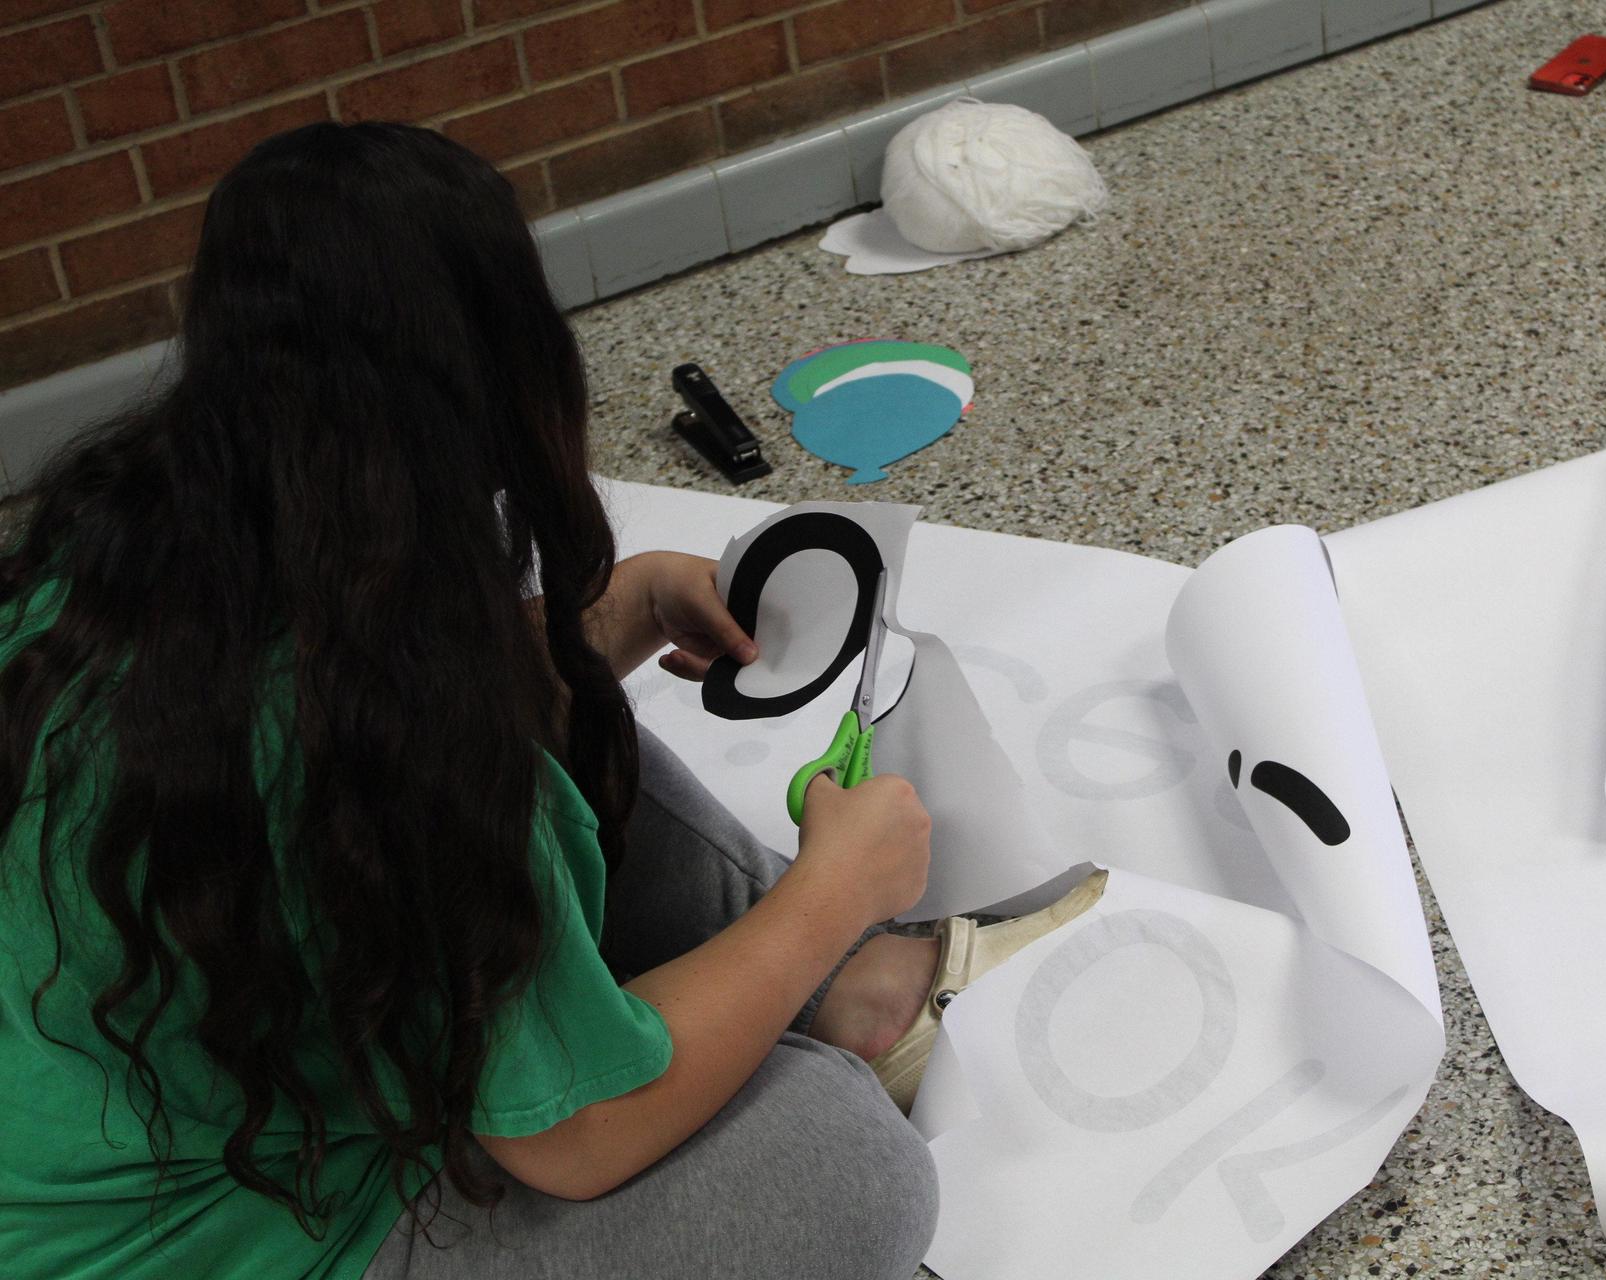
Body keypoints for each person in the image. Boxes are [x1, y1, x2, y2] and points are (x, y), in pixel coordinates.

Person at [0, 122, 1099, 1280]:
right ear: (491, 364)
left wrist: (601, 627)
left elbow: (329, 752)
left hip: (174, 1103)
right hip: (220, 1245)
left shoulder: (119, 557)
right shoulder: (403, 722)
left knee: (570, 728)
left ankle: (843, 992)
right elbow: (568, 1142)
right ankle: (834, 981)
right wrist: (833, 892)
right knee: (843, 1160)